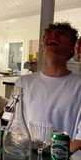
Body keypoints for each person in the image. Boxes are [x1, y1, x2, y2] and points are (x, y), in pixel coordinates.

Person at [6, 22, 81, 153]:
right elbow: (11, 122)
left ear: (72, 48)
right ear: (42, 45)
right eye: (49, 34)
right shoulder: (23, 82)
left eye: (61, 33)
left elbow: (79, 141)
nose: (53, 35)